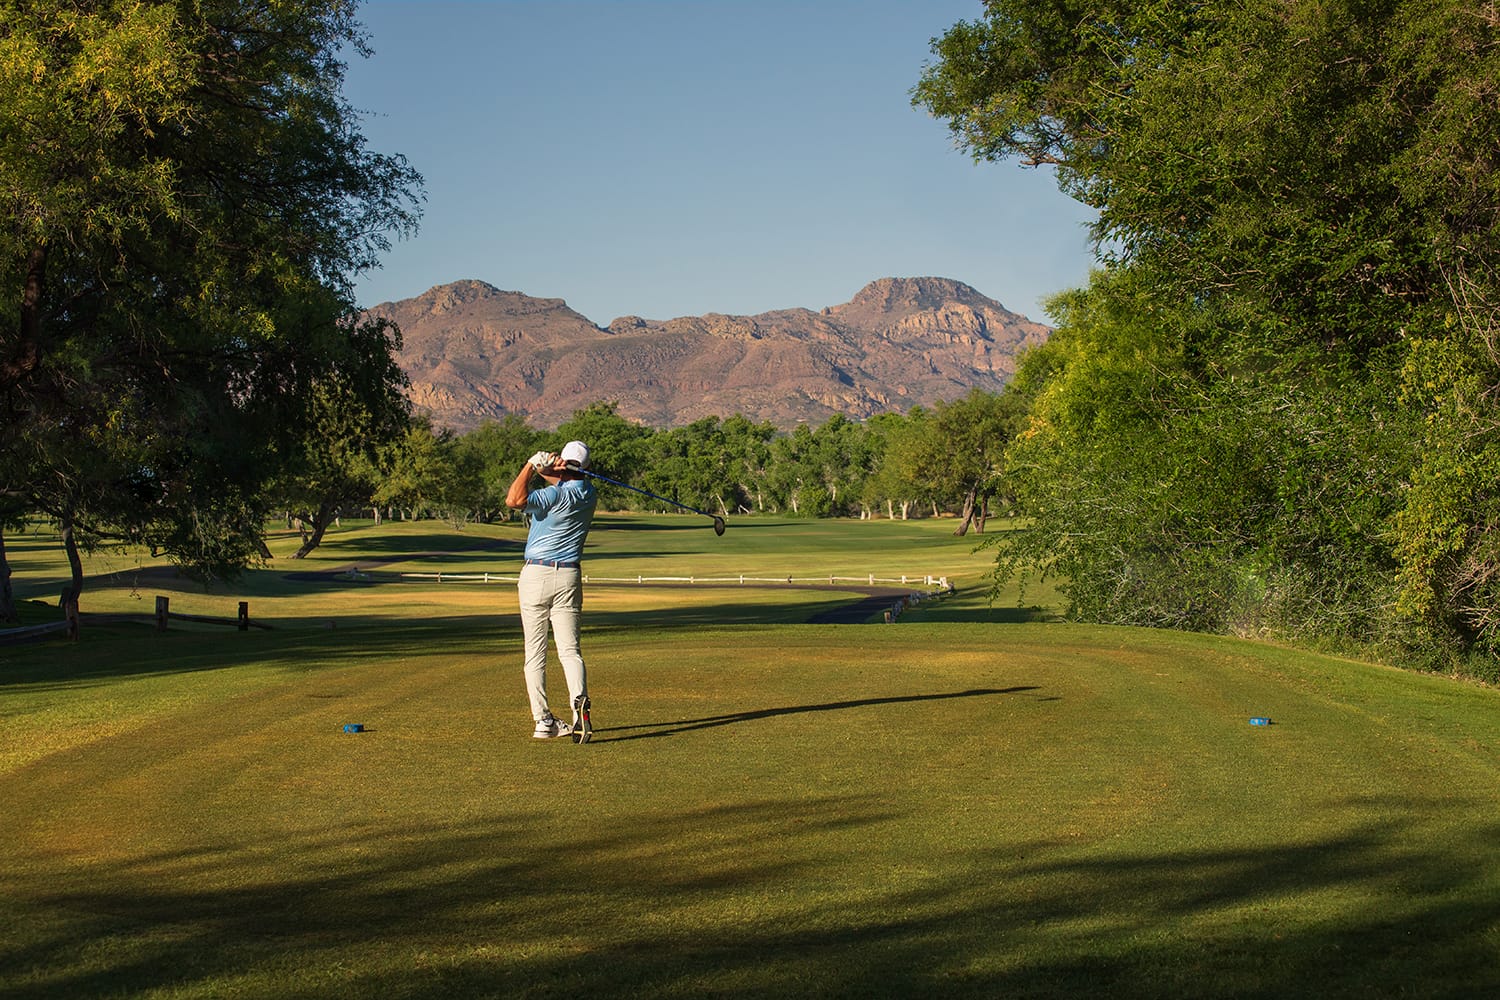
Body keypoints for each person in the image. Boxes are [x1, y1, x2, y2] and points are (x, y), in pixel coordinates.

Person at [505, 439, 598, 742]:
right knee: (570, 651)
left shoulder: (552, 495)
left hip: (536, 575)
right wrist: (551, 469)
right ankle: (578, 708)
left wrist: (531, 465)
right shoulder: (588, 494)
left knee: (535, 654)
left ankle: (543, 721)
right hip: (569, 576)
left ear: (564, 466)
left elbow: (514, 500)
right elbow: (566, 481)